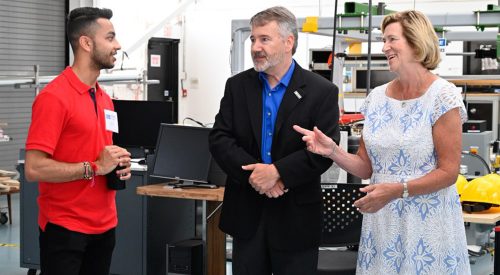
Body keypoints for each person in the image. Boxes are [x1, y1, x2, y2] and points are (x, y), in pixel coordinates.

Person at [294, 10, 471, 274]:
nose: (384, 47)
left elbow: (448, 172)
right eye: (383, 40)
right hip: (383, 220)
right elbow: (366, 167)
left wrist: (397, 190)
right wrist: (332, 151)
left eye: (391, 39)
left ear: (416, 41)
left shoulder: (442, 97)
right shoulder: (376, 98)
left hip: (428, 223)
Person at [208, 6, 339, 275]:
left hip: (296, 219)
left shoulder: (321, 91)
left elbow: (323, 152)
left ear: (289, 42)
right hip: (247, 214)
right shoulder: (237, 86)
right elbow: (220, 138)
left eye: (264, 39)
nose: (255, 47)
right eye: (253, 39)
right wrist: (257, 176)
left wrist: (278, 173)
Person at [24, 7, 131, 275]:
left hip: (105, 226)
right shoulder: (54, 98)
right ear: (86, 43)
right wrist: (94, 167)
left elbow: (100, 152)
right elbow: (34, 168)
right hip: (65, 229)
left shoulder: (105, 99)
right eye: (110, 38)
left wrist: (118, 162)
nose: (117, 45)